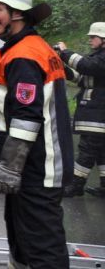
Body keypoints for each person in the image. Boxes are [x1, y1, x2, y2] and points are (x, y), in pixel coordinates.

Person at [0, 0, 73, 269]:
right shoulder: (34, 48)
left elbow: (26, 118)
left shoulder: (24, 56)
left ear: (17, 13)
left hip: (35, 169)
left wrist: (9, 168)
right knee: (23, 243)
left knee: (43, 250)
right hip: (37, 166)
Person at [57, 22, 105, 196]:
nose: (90, 40)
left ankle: (75, 186)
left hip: (98, 116)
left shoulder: (101, 58)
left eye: (93, 37)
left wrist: (64, 52)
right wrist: (63, 68)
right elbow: (83, 79)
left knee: (87, 150)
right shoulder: (98, 57)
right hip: (97, 115)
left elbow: (86, 65)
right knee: (101, 151)